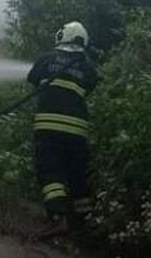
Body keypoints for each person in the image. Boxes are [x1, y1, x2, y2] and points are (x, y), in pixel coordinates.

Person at [26, 20, 98, 232]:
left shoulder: (46, 60)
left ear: (61, 36)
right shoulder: (87, 67)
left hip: (48, 126)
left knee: (50, 172)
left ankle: (58, 218)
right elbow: (91, 84)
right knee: (77, 174)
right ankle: (84, 225)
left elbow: (32, 78)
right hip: (78, 130)